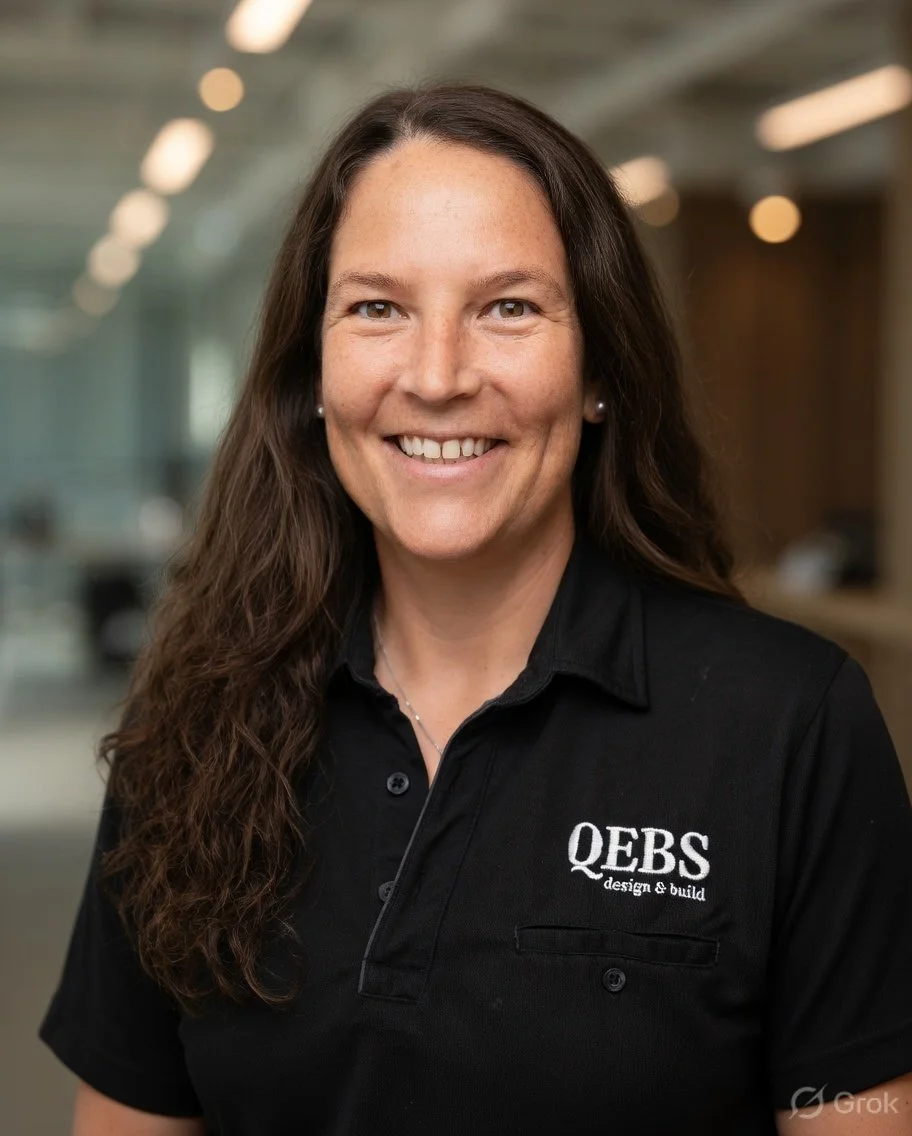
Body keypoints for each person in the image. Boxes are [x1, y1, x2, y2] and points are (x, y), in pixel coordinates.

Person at [39, 83, 912, 1136]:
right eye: (377, 307)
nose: (439, 374)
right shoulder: (193, 719)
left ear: (599, 369)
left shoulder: (790, 725)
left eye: (508, 306)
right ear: (313, 371)